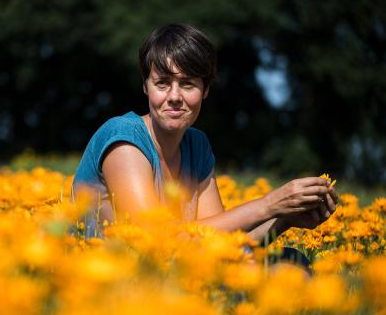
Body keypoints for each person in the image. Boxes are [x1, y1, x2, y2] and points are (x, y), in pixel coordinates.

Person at [72, 23, 338, 241]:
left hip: (173, 282)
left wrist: (284, 218)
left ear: (206, 89)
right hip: (112, 290)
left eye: (187, 84)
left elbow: (216, 242)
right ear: (146, 87)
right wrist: (267, 204)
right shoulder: (124, 138)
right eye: (162, 83)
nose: (174, 96)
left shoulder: (196, 146)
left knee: (288, 264)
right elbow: (154, 241)